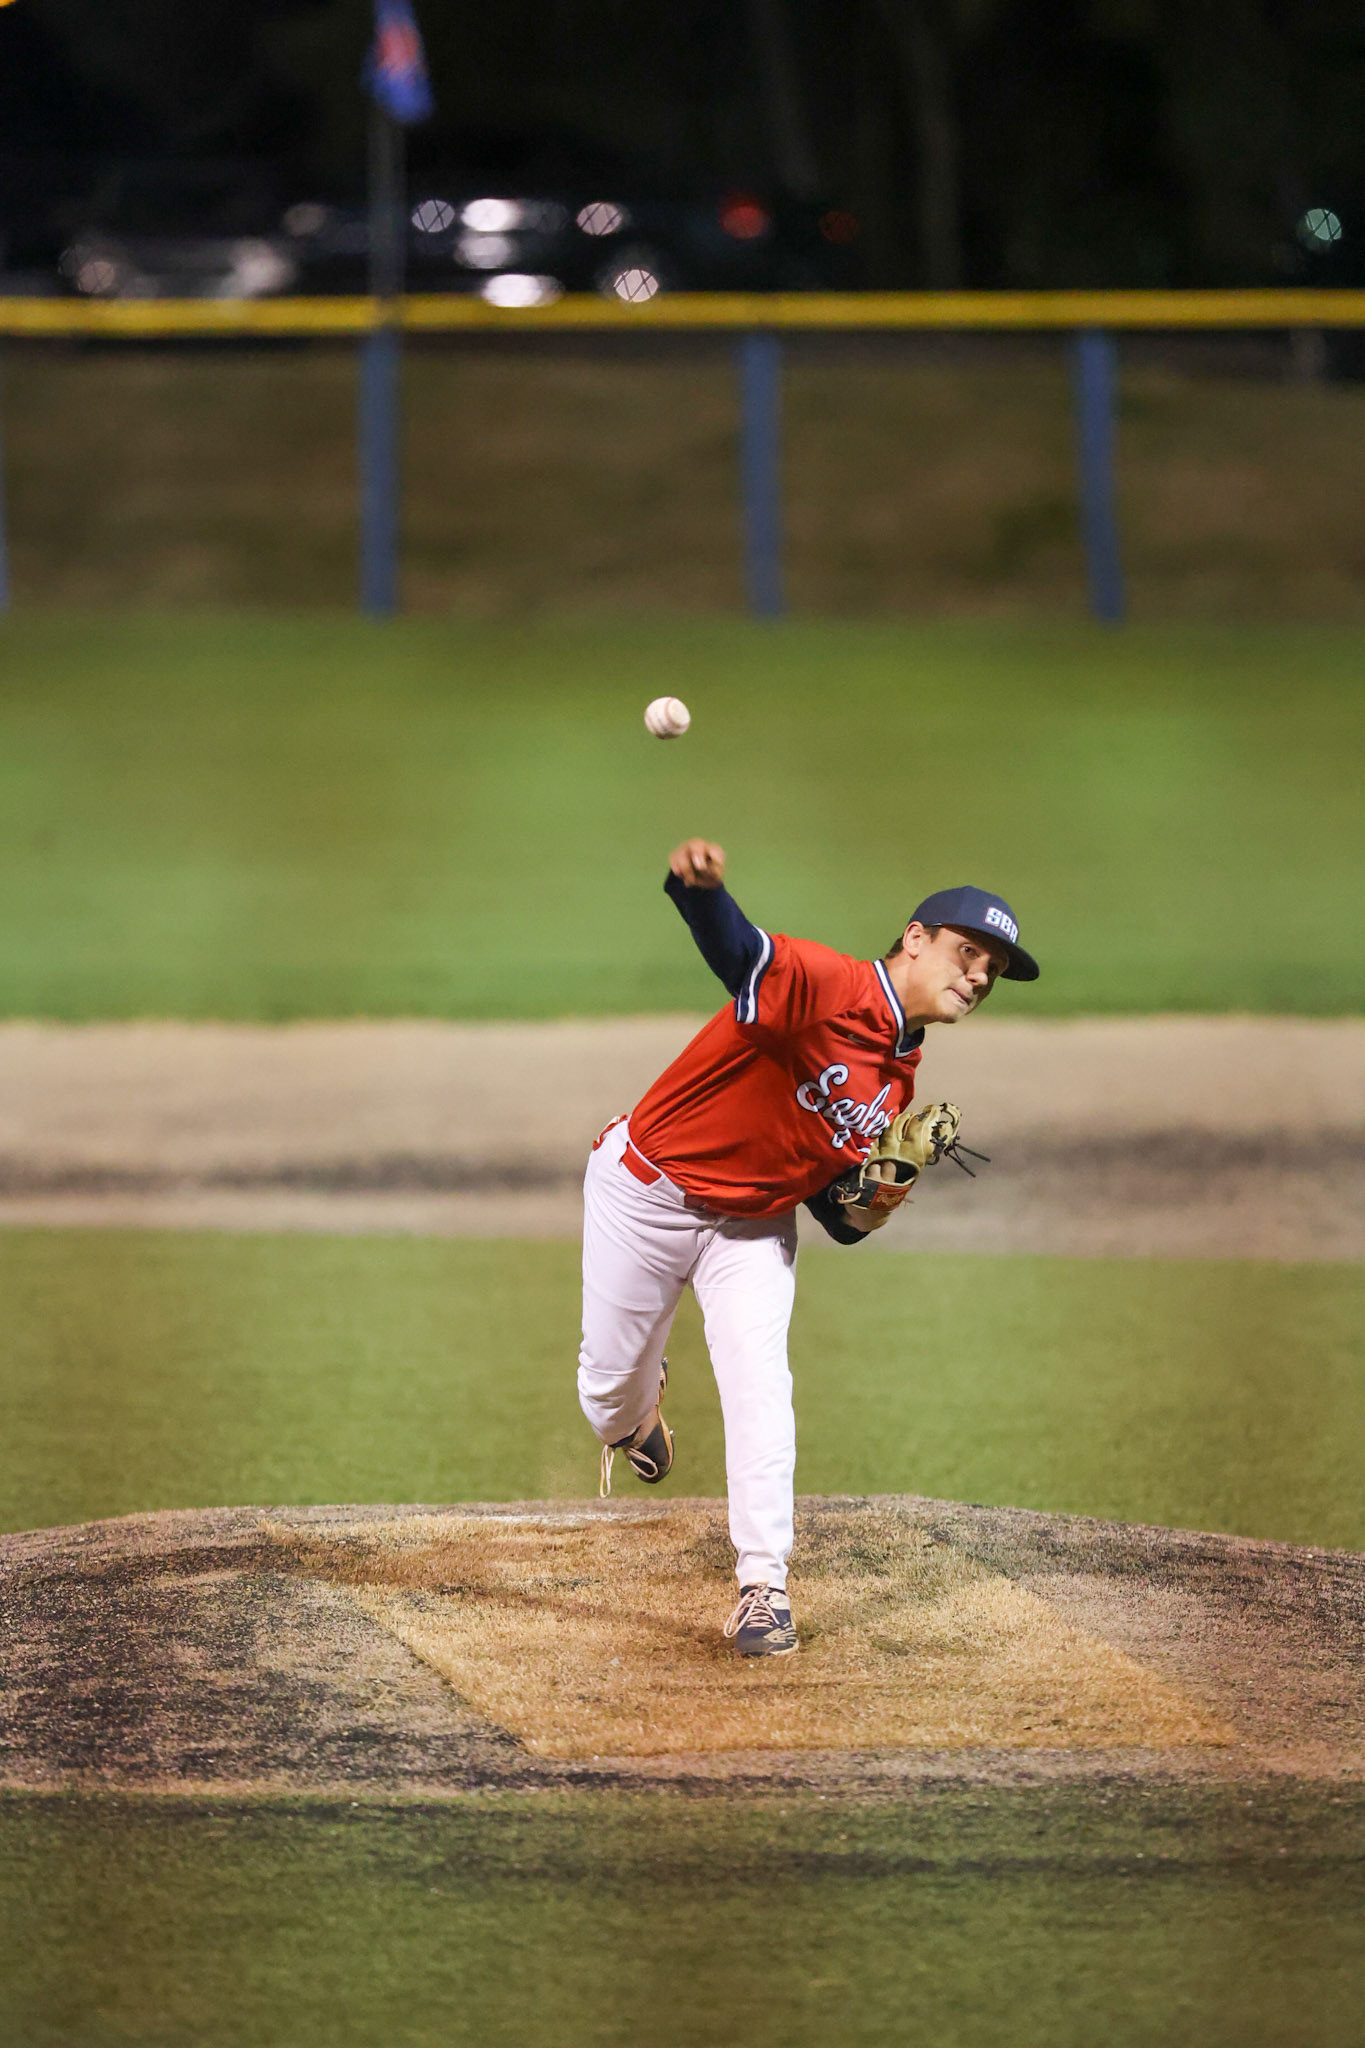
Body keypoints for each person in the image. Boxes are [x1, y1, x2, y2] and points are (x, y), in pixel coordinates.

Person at [577, 837, 1039, 1658]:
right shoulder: (828, 984)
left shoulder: (898, 1078)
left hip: (750, 1228)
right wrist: (700, 892)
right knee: (605, 1395)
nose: (977, 976)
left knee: (761, 1387)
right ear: (915, 938)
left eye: (990, 971)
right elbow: (739, 953)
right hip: (641, 1193)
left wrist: (873, 1195)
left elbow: (834, 1217)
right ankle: (634, 1413)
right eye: (968, 953)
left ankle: (764, 1589)